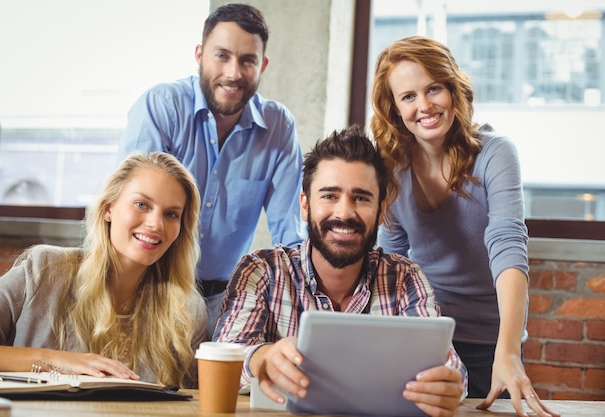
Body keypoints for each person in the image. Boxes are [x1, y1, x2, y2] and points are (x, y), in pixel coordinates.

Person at [214, 125, 467, 417]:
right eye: (330, 196)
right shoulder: (262, 271)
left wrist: (449, 384)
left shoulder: (404, 277)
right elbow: (224, 357)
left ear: (381, 210)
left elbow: (449, 364)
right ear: (305, 206)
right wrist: (263, 357)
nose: (344, 213)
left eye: (361, 198)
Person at [369, 36, 559, 417]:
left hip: (495, 340)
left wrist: (506, 351)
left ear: (453, 89)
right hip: (431, 338)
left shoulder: (495, 153)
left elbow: (508, 246)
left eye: (433, 88)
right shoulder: (391, 171)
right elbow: (390, 267)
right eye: (408, 96)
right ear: (394, 108)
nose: (424, 105)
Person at [117, 3, 304, 340]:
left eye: (247, 60)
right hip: (151, 290)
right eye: (222, 55)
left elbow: (289, 238)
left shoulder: (278, 127)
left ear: (262, 65)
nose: (233, 72)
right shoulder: (163, 107)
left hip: (224, 303)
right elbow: (132, 206)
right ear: (200, 54)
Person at [0, 152, 207, 388]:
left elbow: (189, 404)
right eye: (142, 205)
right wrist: (52, 359)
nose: (156, 224)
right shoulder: (44, 270)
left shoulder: (188, 309)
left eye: (171, 214)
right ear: (108, 209)